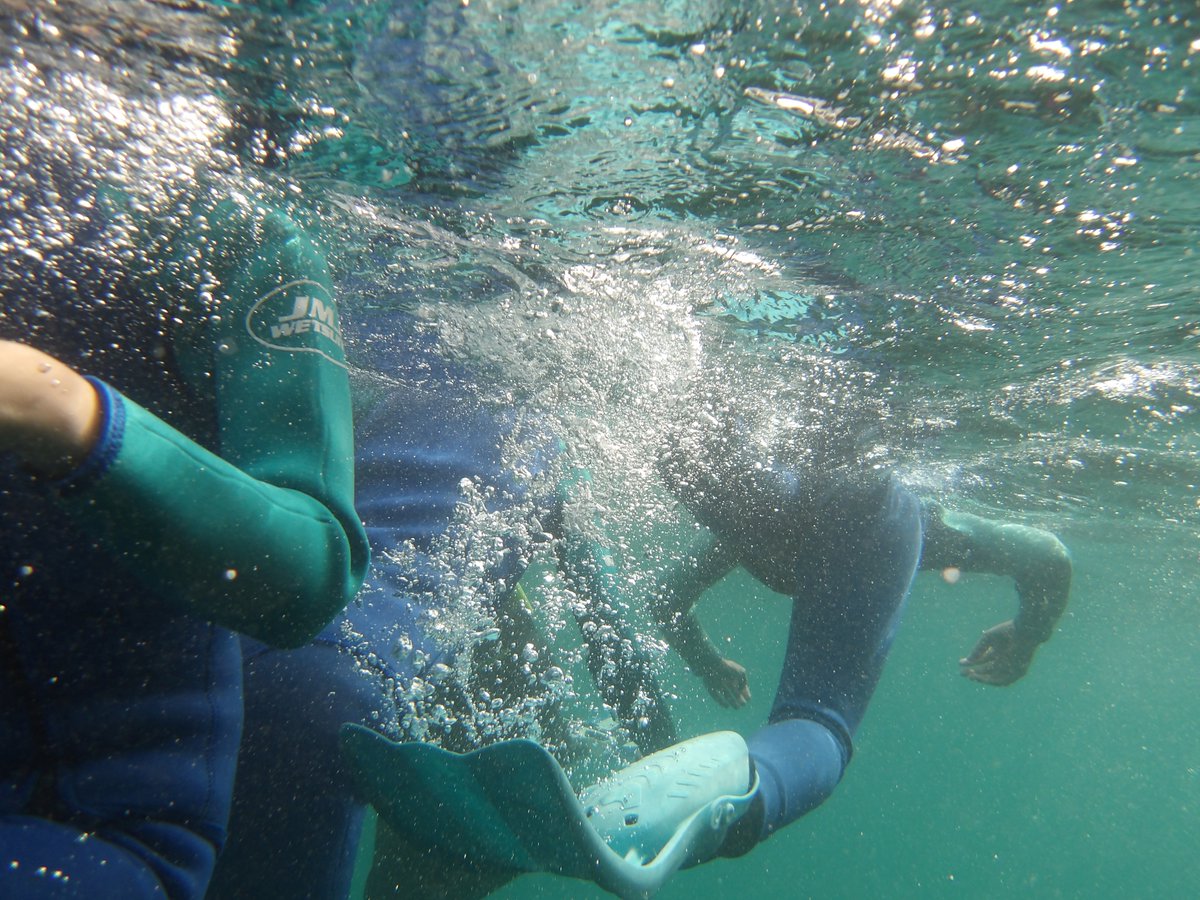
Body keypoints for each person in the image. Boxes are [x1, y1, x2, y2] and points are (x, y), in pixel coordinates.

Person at [0, 25, 370, 897]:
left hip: (81, 820)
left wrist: (55, 408)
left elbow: (312, 574)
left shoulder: (223, 237)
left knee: (336, 688)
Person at [208, 307, 676, 900]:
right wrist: (668, 753)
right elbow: (610, 637)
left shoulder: (385, 404)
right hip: (344, 695)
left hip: (230, 649)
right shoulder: (553, 449)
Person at [638, 394, 1071, 858]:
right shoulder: (878, 520)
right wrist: (1028, 632)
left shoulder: (752, 527)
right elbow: (1048, 555)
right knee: (816, 718)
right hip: (849, 507)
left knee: (816, 718)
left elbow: (667, 599)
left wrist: (707, 663)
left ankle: (737, 801)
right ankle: (738, 807)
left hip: (830, 500)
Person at [658, 500, 1073, 711]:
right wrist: (705, 662)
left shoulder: (901, 528)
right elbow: (666, 599)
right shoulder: (745, 527)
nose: (780, 542)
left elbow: (1049, 556)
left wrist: (1031, 632)